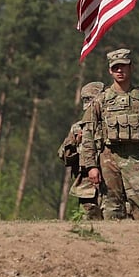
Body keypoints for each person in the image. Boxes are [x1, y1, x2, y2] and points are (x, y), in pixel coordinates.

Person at [80, 49, 139, 219]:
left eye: (123, 67)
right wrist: (91, 166)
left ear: (131, 67)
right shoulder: (100, 101)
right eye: (116, 67)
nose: (120, 71)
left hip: (137, 158)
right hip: (108, 158)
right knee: (111, 208)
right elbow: (88, 134)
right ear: (110, 71)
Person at [58, 81, 105, 220]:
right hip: (87, 186)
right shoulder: (78, 127)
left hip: (111, 181)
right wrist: (74, 142)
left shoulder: (111, 124)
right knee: (89, 222)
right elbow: (63, 155)